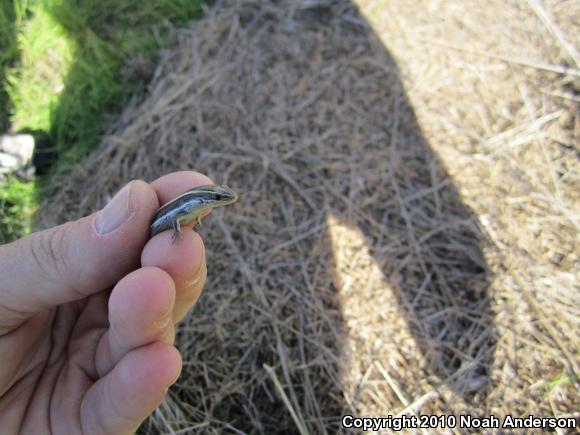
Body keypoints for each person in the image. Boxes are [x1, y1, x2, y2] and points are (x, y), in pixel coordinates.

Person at [0, 171, 211, 434]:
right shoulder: (192, 202)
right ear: (208, 198)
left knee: (149, 290)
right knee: (150, 282)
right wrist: (178, 231)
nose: (223, 200)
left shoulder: (199, 204)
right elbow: (177, 217)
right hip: (152, 232)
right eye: (218, 198)